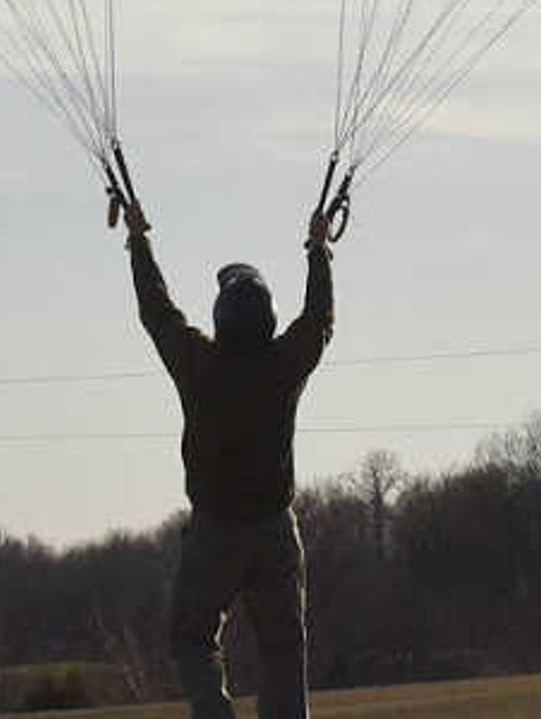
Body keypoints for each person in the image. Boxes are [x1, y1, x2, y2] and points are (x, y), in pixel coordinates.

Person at [121, 175, 337, 719]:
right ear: (266, 319)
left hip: (215, 531)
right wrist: (318, 252)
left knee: (191, 638)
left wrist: (139, 243)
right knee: (284, 648)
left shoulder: (199, 365)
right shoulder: (283, 366)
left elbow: (158, 313)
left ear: (221, 318)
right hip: (272, 531)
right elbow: (318, 322)